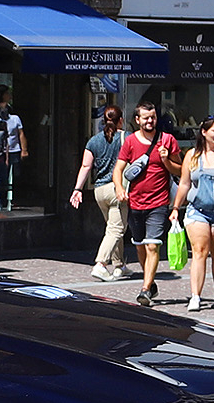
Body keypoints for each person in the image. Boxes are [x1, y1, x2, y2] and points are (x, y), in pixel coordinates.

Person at [115, 100, 180, 306]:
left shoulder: (167, 140)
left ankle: (144, 290)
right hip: (135, 202)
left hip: (159, 202)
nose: (150, 121)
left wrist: (166, 160)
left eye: (152, 117)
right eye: (145, 118)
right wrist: (119, 188)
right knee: (141, 247)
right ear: (137, 120)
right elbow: (118, 169)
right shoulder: (130, 142)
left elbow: (180, 170)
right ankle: (149, 282)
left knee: (153, 246)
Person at [172, 116, 214, 312]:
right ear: (204, 132)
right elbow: (184, 184)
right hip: (197, 211)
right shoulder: (192, 156)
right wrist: (175, 208)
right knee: (199, 251)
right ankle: (196, 296)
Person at [71, 104, 131, 281]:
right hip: (117, 189)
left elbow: (86, 166)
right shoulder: (127, 138)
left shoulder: (93, 141)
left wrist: (77, 189)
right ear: (121, 120)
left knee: (113, 228)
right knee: (117, 229)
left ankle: (119, 265)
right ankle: (101, 264)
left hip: (99, 191)